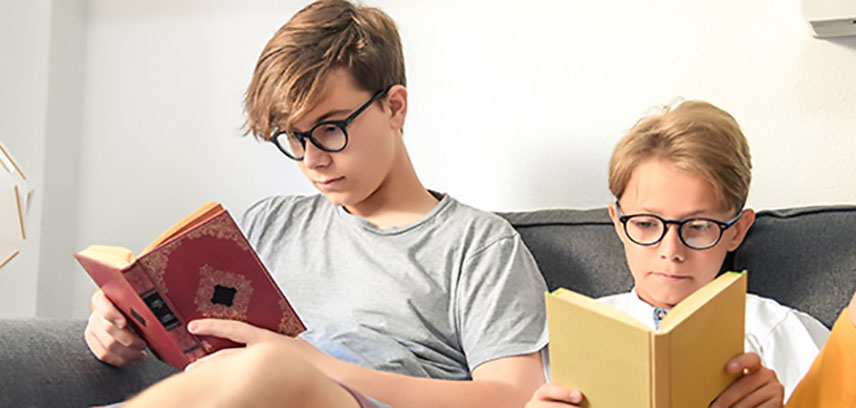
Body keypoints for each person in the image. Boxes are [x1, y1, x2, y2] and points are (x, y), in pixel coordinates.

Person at [84, 1, 549, 407]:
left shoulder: (478, 245)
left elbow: (514, 397)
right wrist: (120, 322)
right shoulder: (268, 224)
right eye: (294, 137)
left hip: (343, 396)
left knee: (269, 370)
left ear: (394, 107)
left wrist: (315, 366)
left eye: (330, 129)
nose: (312, 160)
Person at [526, 101, 829, 408]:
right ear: (618, 222)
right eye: (645, 224)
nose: (671, 251)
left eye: (698, 227)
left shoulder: (780, 331)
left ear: (737, 231)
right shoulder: (572, 338)